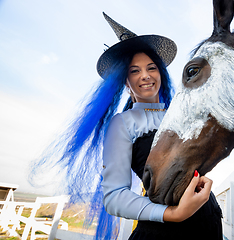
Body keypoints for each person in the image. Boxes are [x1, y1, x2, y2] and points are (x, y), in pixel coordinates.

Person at [31, 12, 222, 240]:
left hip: (208, 221)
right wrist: (174, 213)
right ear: (125, 82)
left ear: (160, 72)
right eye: (134, 71)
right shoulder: (123, 124)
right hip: (166, 231)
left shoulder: (180, 113)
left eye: (151, 68)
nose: (145, 76)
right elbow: (114, 197)